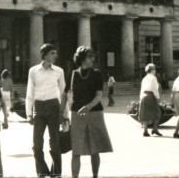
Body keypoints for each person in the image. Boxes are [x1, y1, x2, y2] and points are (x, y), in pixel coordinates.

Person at [65, 46, 113, 178]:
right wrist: (64, 114)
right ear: (81, 59)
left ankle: (95, 176)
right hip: (77, 114)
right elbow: (66, 95)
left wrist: (88, 106)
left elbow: (98, 95)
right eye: (89, 56)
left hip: (94, 113)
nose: (93, 58)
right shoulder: (73, 74)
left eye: (93, 56)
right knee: (76, 150)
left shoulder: (97, 73)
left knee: (95, 149)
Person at [25, 43, 67, 177]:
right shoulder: (33, 71)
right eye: (52, 53)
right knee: (36, 145)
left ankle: (57, 173)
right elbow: (29, 93)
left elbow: (63, 93)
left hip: (54, 107)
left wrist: (65, 114)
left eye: (55, 53)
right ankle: (43, 172)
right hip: (39, 108)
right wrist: (29, 114)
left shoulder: (59, 71)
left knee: (54, 143)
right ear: (44, 55)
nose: (56, 56)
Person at [138, 63, 162, 137]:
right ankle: (155, 129)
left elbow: (141, 89)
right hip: (151, 96)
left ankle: (145, 130)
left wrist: (140, 97)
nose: (155, 70)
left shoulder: (144, 78)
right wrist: (158, 97)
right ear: (151, 70)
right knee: (157, 112)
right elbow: (155, 89)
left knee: (145, 113)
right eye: (154, 69)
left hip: (144, 96)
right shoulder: (153, 78)